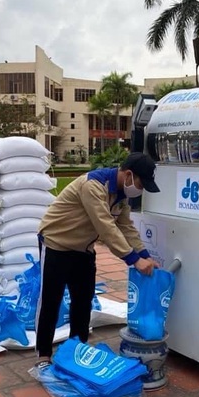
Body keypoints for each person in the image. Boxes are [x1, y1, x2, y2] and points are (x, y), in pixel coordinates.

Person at [35, 152, 161, 366]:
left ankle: (78, 347)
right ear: (129, 174)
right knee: (51, 299)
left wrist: (145, 255)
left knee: (83, 300)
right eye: (141, 183)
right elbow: (106, 227)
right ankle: (43, 355)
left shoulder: (122, 195)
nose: (140, 189)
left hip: (83, 248)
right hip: (57, 243)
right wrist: (133, 260)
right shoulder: (93, 186)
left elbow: (125, 226)